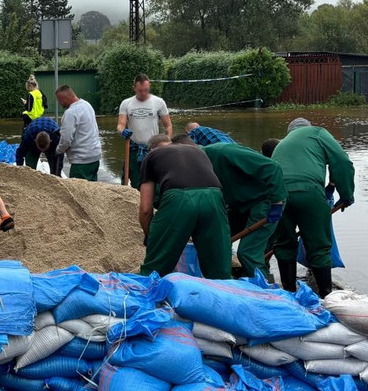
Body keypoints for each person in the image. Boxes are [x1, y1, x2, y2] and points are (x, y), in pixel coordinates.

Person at [269, 118, 355, 296]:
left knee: (284, 244)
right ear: (307, 127)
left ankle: (289, 293)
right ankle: (326, 297)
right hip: (308, 191)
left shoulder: (281, 144)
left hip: (278, 196)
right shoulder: (317, 132)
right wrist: (346, 194)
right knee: (318, 246)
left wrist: (331, 187)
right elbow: (342, 162)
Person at [137, 134, 230, 279]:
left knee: (156, 268)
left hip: (179, 198)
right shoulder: (198, 151)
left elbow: (145, 209)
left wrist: (150, 235)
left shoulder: (152, 156)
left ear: (151, 149)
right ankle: (225, 295)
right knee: (219, 268)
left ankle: (147, 295)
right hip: (215, 197)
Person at [197, 138, 287, 278]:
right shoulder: (195, 166)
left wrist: (277, 203)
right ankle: (227, 280)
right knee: (218, 239)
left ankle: (267, 289)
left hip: (267, 200)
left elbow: (272, 167)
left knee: (247, 252)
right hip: (242, 203)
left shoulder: (224, 152)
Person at [117, 74, 172, 188]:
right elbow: (120, 125)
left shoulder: (159, 102)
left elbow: (168, 126)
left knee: (155, 181)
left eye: (146, 90)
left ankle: (154, 204)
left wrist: (167, 144)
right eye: (140, 90)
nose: (143, 93)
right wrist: (122, 131)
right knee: (137, 181)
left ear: (149, 86)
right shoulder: (126, 103)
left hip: (154, 148)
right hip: (134, 148)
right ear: (134, 88)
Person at [54, 85, 102, 181]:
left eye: (59, 100)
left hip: (81, 161)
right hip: (95, 156)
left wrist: (58, 150)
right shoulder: (87, 105)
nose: (59, 103)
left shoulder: (70, 113)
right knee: (92, 189)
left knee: (78, 193)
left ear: (65, 98)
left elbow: (66, 140)